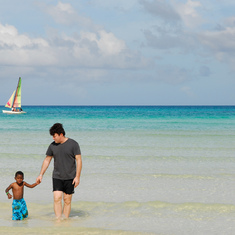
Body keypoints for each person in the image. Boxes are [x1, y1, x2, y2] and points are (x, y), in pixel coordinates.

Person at [36, 123, 82, 219]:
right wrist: (41, 175)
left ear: (61, 134)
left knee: (67, 200)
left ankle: (65, 220)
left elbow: (79, 160)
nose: (53, 138)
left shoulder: (73, 144)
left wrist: (77, 177)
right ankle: (58, 220)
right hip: (57, 176)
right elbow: (47, 160)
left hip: (70, 177)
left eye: (54, 136)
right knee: (57, 198)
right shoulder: (52, 146)